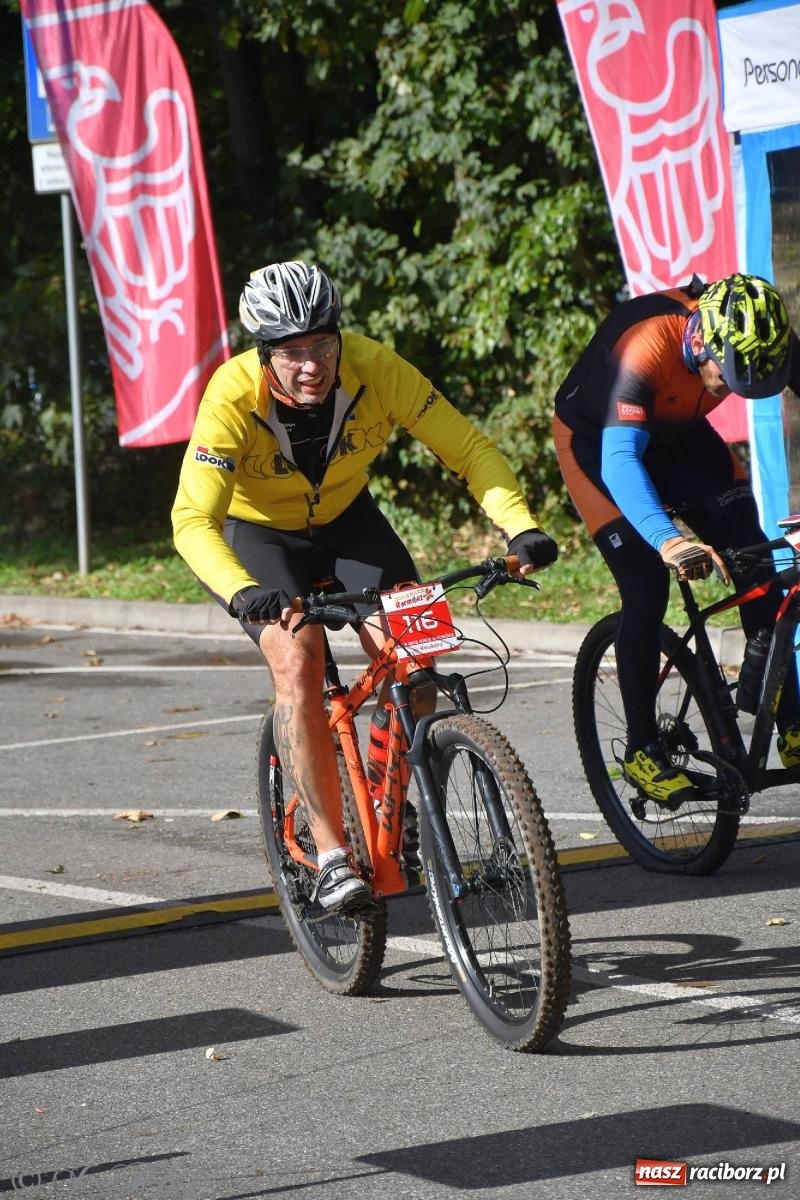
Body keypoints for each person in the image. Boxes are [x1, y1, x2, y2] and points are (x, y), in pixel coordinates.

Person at [172, 260, 558, 911]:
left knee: (420, 647)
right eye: (291, 352)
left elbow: (467, 448)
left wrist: (519, 527)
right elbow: (191, 519)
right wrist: (242, 591)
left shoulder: (377, 368)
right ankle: (329, 857)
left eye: (322, 344)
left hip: (352, 523)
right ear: (264, 352)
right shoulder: (230, 395)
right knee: (298, 661)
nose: (310, 365)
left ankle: (395, 797)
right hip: (260, 537)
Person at [553, 272, 800, 808]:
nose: (736, 389)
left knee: (758, 557)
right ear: (702, 340)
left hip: (680, 437)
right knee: (646, 587)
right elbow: (621, 464)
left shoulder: (761, 334)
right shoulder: (646, 347)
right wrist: (668, 540)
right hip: (598, 448)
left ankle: (792, 720)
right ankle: (643, 749)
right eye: (730, 376)